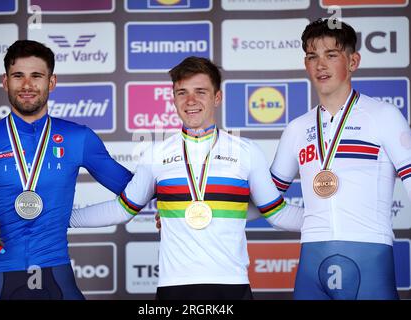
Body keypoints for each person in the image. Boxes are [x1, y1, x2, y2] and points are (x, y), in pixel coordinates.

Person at [70, 56, 304, 300]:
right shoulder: (156, 154)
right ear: (173, 99)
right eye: (182, 93)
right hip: (175, 286)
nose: (190, 101)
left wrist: (336, 220)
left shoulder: (246, 151)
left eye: (200, 92)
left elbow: (277, 213)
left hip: (232, 285)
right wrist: (61, 218)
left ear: (217, 97)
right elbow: (122, 210)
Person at [0, 40, 133, 300]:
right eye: (18, 76)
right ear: (5, 81)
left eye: (36, 76)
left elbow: (135, 189)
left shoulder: (78, 138)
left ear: (51, 82)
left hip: (56, 275)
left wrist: (169, 203)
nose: (27, 85)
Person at [270, 18, 411, 300]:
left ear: (353, 61)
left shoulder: (384, 116)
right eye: (313, 57)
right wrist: (185, 216)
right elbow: (267, 203)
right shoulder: (297, 128)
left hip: (370, 256)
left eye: (331, 55)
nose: (320, 65)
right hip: (312, 260)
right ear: (306, 63)